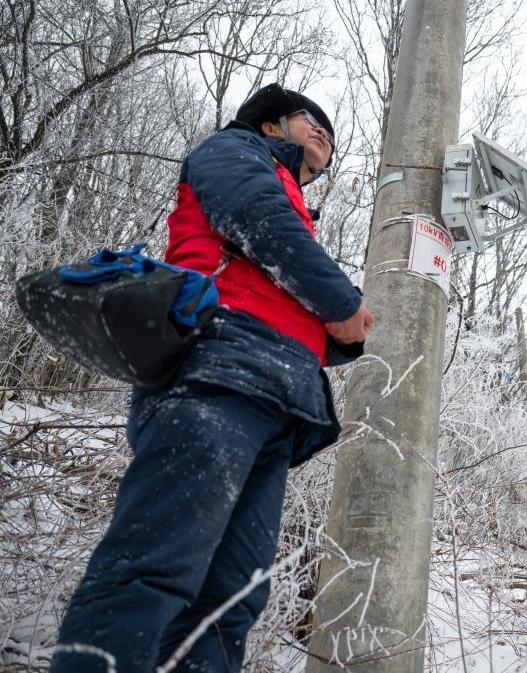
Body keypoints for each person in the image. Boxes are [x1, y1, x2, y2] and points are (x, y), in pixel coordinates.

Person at [51, 83, 374, 673]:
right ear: (271, 126)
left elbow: (281, 296)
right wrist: (341, 303)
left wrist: (342, 332)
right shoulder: (235, 151)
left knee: (229, 601)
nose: (324, 133)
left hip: (276, 402)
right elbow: (256, 218)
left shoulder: (290, 205)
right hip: (219, 375)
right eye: (311, 120)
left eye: (332, 134)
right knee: (153, 566)